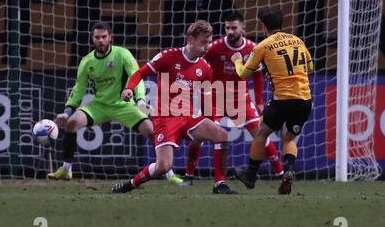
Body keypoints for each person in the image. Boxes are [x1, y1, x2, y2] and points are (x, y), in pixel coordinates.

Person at [112, 20, 238, 194]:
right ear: (191, 39)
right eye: (204, 42)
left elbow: (206, 97)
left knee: (221, 135)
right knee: (163, 167)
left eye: (209, 42)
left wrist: (211, 121)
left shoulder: (205, 68)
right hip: (166, 117)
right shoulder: (168, 56)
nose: (207, 46)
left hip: (188, 116)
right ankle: (130, 184)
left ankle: (220, 184)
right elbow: (140, 72)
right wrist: (129, 88)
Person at [49, 21, 183, 186]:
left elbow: (137, 76)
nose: (101, 40)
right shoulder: (87, 61)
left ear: (110, 38)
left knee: (152, 132)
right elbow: (79, 89)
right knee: (72, 123)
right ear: (92, 39)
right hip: (99, 105)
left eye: (104, 37)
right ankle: (66, 169)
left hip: (123, 106)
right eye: (97, 37)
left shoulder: (123, 54)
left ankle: (169, 174)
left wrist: (140, 99)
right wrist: (67, 112)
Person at [184, 13, 283, 187]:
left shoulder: (253, 49)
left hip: (240, 99)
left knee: (261, 134)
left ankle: (281, 173)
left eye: (234, 28)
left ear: (243, 29)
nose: (230, 31)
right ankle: (189, 175)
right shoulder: (214, 47)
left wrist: (259, 101)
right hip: (214, 98)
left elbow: (258, 76)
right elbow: (198, 65)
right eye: (227, 28)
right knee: (198, 137)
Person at [231, 7, 313, 195]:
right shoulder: (297, 41)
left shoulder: (263, 46)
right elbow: (310, 66)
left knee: (261, 133)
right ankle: (289, 169)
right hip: (304, 100)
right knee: (289, 137)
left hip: (282, 101)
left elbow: (243, 73)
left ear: (262, 25)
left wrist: (237, 60)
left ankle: (250, 175)